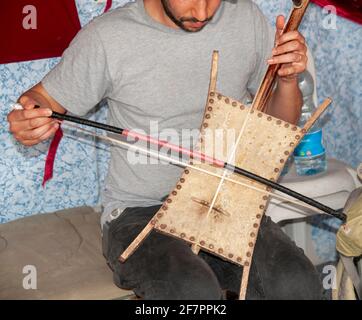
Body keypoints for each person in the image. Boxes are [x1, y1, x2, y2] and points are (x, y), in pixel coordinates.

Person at [7, 0, 323, 299]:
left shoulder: (246, 19)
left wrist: (288, 80)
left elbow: (279, 126)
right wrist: (29, 116)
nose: (203, 11)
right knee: (192, 290)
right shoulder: (109, 37)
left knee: (295, 280)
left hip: (224, 204)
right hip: (140, 216)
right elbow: (41, 100)